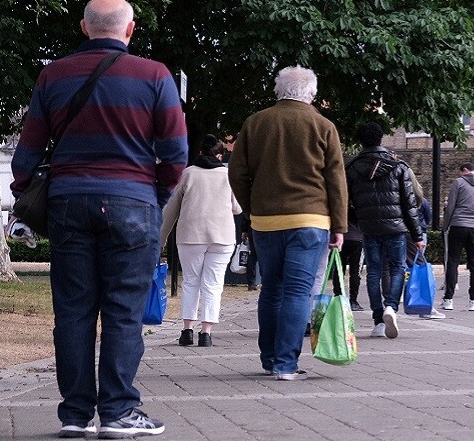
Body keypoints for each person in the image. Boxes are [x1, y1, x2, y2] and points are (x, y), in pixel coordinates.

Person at [10, 0, 187, 438]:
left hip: (68, 201)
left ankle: (74, 414)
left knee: (73, 311)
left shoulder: (53, 75)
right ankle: (119, 412)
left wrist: (27, 194)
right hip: (132, 201)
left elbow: (26, 153)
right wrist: (156, 192)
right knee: (124, 311)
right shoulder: (154, 75)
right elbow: (175, 153)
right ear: (129, 30)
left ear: (84, 27)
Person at [228, 66, 347, 381]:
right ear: (311, 93)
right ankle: (286, 364)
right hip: (311, 219)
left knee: (272, 290)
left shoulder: (255, 123)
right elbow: (335, 180)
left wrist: (253, 209)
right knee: (298, 291)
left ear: (278, 90)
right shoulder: (323, 126)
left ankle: (269, 359)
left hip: (265, 221)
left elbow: (236, 173)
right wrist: (339, 225)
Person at [161, 135, 242, 348]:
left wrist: (161, 238)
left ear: (199, 153)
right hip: (222, 236)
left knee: (191, 282)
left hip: (190, 236)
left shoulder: (187, 174)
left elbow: (171, 209)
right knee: (213, 284)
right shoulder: (228, 175)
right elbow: (237, 208)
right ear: (219, 155)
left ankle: (187, 330)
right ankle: (206, 333)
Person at [345, 122, 425, 337]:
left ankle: (378, 320)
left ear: (360, 141)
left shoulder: (351, 169)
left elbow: (345, 203)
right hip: (396, 227)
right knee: (397, 268)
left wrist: (360, 219)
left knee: (373, 271)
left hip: (369, 228)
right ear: (381, 139)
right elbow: (410, 204)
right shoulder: (399, 167)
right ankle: (391, 306)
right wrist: (417, 235)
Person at [441, 163, 474, 312]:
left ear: (465, 170)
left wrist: (446, 226)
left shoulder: (459, 183)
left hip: (458, 226)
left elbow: (450, 206)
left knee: (452, 262)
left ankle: (448, 299)